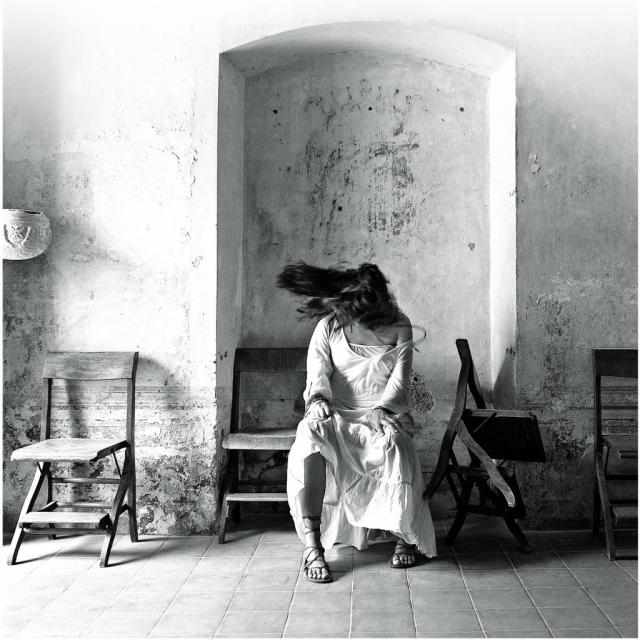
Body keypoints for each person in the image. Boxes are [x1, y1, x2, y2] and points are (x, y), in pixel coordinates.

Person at [276, 261, 437, 584]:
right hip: (337, 411)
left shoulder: (400, 326)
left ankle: (404, 537)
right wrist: (319, 402)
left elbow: (399, 382)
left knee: (394, 444)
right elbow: (317, 374)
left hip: (381, 411)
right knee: (310, 435)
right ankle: (313, 546)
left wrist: (382, 409)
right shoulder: (329, 326)